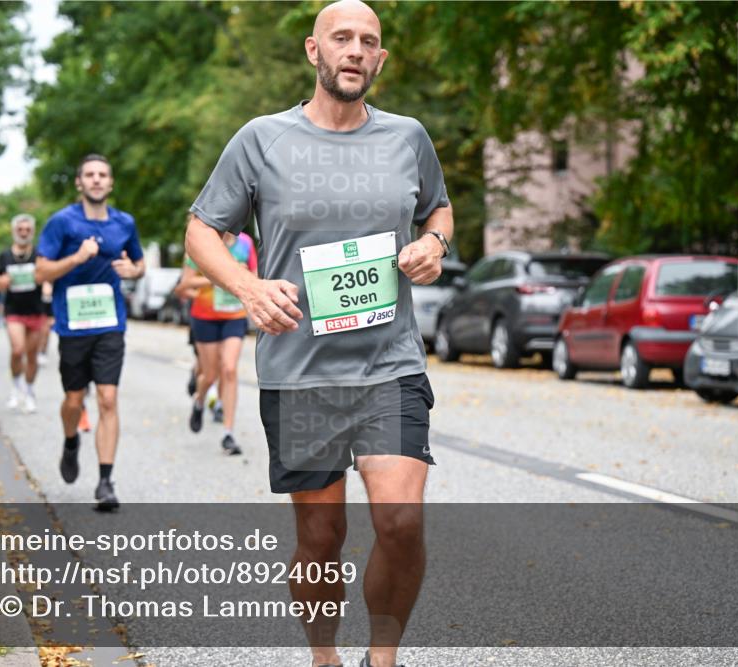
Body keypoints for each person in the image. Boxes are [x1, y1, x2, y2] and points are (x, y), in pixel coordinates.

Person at [184, 2, 453, 665]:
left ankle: (381, 655)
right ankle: (324, 653)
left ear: (380, 58)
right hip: (300, 373)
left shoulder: (408, 137)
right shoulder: (262, 139)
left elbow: (439, 209)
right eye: (342, 38)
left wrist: (434, 243)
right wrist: (248, 287)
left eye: (368, 41)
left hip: (389, 365)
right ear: (314, 50)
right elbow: (201, 231)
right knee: (321, 537)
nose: (355, 50)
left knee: (401, 520)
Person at [35, 154, 145, 510]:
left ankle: (105, 481)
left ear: (110, 183)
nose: (96, 179)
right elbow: (41, 272)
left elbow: (139, 263)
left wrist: (134, 271)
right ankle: (71, 442)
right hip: (72, 326)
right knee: (73, 400)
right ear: (79, 182)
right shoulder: (61, 222)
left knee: (108, 399)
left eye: (102, 175)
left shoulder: (124, 222)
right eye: (90, 174)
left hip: (110, 324)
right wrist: (76, 258)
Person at [179, 233, 257, 455]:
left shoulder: (245, 243)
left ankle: (228, 433)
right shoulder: (201, 240)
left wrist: (244, 276)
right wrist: (221, 277)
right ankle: (199, 400)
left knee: (229, 369)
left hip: (234, 315)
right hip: (205, 316)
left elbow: (255, 276)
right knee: (210, 375)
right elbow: (186, 283)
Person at [0, 214, 48, 413]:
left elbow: (48, 275)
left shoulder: (39, 254)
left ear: (32, 232)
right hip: (13, 310)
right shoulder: (5, 256)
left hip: (35, 310)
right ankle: (16, 387)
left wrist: (44, 281)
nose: (24, 233)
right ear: (14, 231)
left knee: (32, 356)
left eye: (27, 230)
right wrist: (1, 282)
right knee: (17, 350)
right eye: (20, 229)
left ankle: (29, 391)